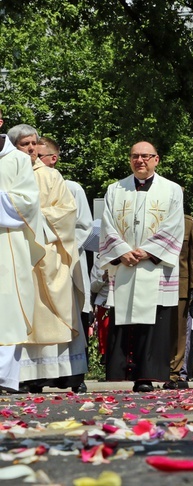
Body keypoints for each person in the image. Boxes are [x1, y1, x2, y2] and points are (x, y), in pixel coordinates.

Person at [99, 141, 184, 392]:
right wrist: (122, 251)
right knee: (124, 318)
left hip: (155, 267)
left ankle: (146, 376)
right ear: (130, 160)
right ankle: (121, 372)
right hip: (125, 265)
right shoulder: (115, 189)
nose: (140, 160)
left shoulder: (171, 190)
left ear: (156, 159)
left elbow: (175, 225)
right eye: (135, 156)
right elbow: (106, 224)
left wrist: (148, 251)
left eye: (146, 156)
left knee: (153, 321)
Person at [9, 125, 87, 393]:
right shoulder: (6, 172)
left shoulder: (51, 176)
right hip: (15, 253)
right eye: (24, 144)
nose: (31, 149)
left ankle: (63, 374)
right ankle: (23, 376)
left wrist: (35, 217)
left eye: (33, 144)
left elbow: (67, 213)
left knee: (53, 312)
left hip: (48, 252)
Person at [38, 136, 94, 391]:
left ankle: (73, 376)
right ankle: (39, 375)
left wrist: (55, 244)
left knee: (71, 319)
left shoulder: (71, 187)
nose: (33, 161)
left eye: (39, 156)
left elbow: (83, 226)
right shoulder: (24, 185)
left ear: (53, 158)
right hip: (37, 264)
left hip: (65, 262)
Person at [0, 117, 45, 394]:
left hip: (6, 242)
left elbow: (28, 202)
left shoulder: (16, 159)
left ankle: (3, 377)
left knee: (7, 310)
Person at [163, 213, 193, 389]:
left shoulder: (189, 223)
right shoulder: (156, 220)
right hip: (155, 282)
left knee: (179, 332)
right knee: (158, 329)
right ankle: (157, 369)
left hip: (181, 284)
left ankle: (175, 372)